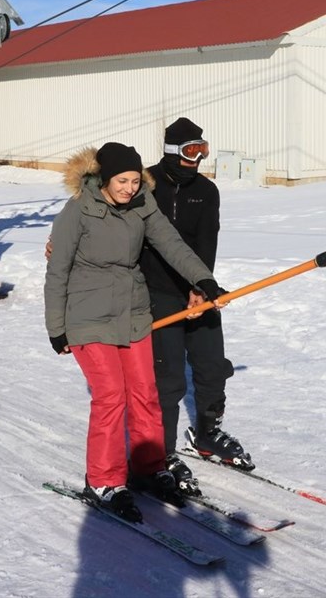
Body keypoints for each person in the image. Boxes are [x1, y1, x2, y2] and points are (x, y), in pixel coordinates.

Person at [44, 142, 225, 522]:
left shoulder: (143, 203)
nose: (129, 188)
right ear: (104, 179)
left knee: (145, 392)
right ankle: (104, 481)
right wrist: (57, 328)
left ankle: (147, 466)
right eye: (121, 181)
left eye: (134, 180)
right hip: (88, 316)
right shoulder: (78, 211)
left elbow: (172, 244)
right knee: (111, 396)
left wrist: (204, 281)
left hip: (133, 313)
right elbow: (57, 269)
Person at [141, 117, 252, 497]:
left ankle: (207, 433)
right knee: (169, 376)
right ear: (173, 152)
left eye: (202, 150)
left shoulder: (207, 191)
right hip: (157, 290)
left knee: (211, 364)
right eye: (191, 151)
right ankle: (163, 451)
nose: (198, 158)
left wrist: (201, 288)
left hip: (199, 287)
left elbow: (207, 242)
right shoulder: (146, 185)